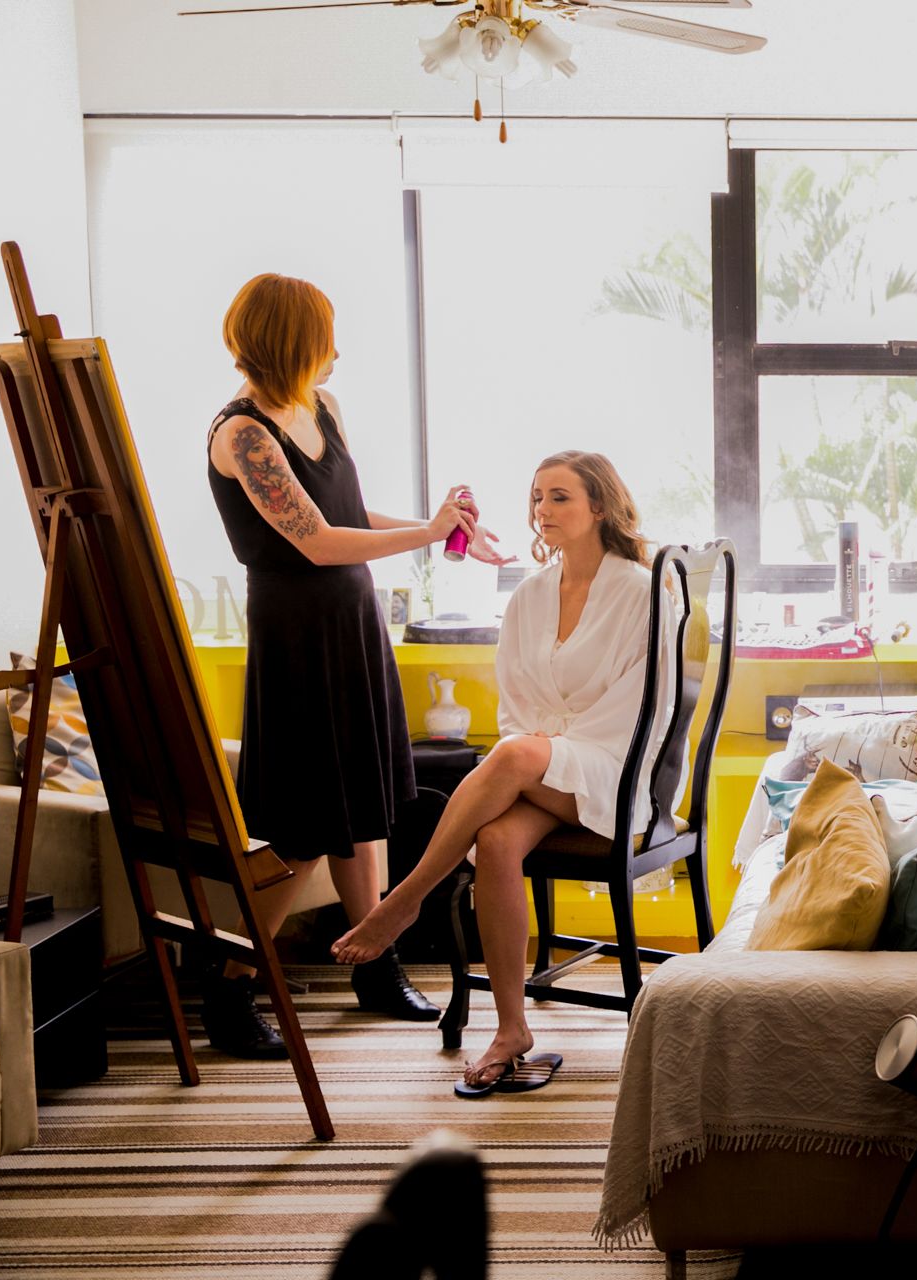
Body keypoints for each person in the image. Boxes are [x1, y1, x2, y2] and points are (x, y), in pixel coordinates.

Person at [206, 273, 514, 1058]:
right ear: (291, 341)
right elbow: (315, 542)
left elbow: (349, 517)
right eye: (324, 336)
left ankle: (372, 963)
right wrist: (430, 530)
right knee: (308, 823)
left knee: (367, 804)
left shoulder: (321, 410)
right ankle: (230, 984)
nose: (336, 351)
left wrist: (446, 534)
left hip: (353, 621)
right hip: (298, 633)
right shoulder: (241, 434)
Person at [331, 451, 675, 1096]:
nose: (542, 510)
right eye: (538, 497)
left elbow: (649, 701)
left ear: (600, 506)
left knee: (513, 757)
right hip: (546, 765)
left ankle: (404, 900)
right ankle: (511, 1029)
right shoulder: (530, 593)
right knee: (494, 840)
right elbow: (513, 696)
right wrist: (540, 747)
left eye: (561, 497)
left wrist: (545, 749)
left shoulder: (642, 587)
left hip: (615, 767)